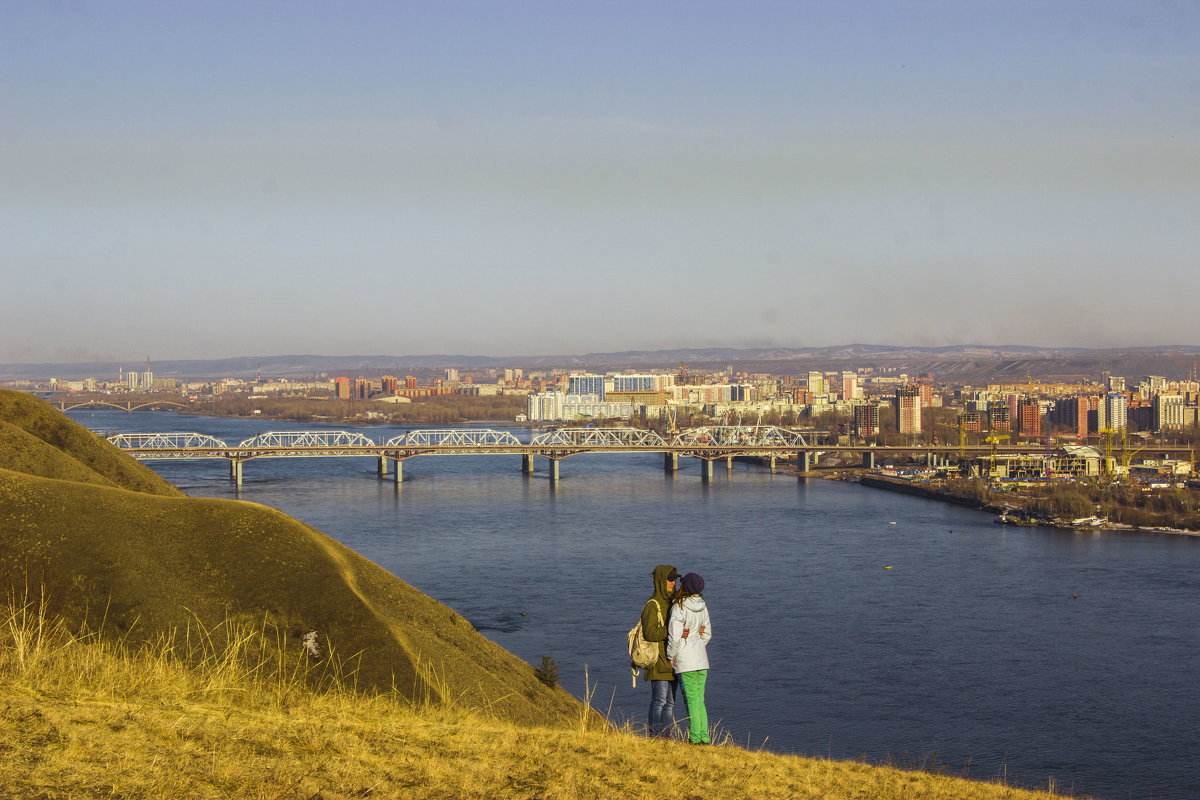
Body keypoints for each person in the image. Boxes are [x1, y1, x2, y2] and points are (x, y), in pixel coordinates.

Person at [667, 572, 712, 745]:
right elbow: (707, 634)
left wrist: (671, 655)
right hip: (702, 660)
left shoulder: (679, 606)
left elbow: (675, 636)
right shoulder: (703, 606)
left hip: (686, 661)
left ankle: (694, 738)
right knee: (700, 700)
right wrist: (697, 643)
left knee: (691, 700)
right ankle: (704, 737)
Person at [642, 564, 679, 737]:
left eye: (675, 580)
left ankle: (667, 736)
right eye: (670, 580)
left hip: (673, 662)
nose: (673, 583)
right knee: (660, 701)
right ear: (660, 581)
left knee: (670, 703)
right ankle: (655, 736)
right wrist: (672, 631)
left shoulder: (674, 602)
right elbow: (650, 633)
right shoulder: (653, 605)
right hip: (658, 662)